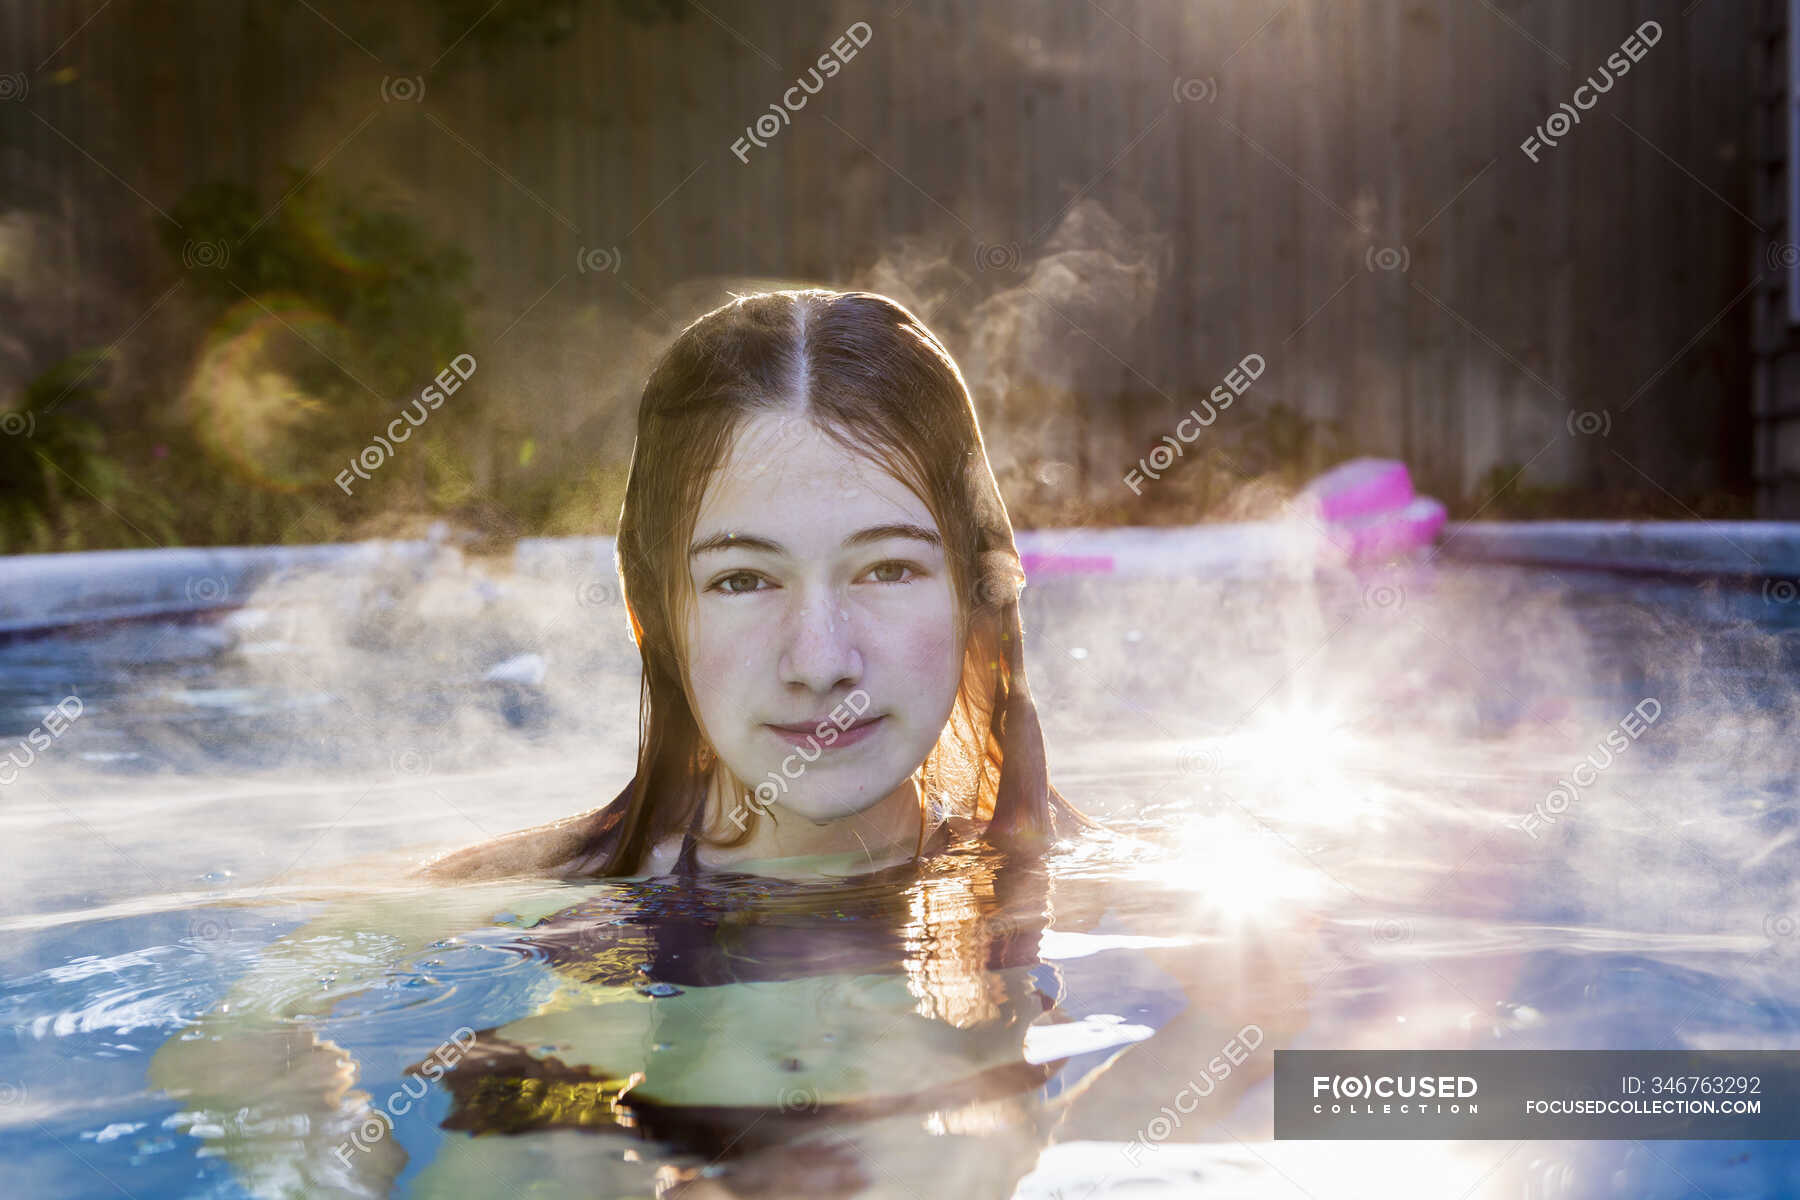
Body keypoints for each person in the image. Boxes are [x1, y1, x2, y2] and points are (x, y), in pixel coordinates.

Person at [420, 287, 1093, 883]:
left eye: (887, 569)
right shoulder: (492, 919)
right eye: (743, 579)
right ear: (650, 618)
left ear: (979, 603)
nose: (822, 663)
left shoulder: (1119, 899)